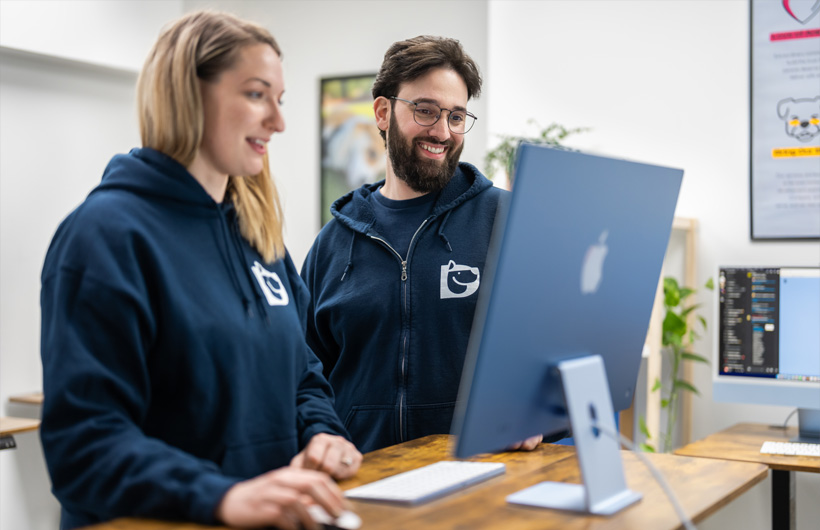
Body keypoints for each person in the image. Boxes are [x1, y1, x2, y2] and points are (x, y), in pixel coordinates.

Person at [39, 11, 361, 530]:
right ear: (187, 95)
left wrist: (322, 434)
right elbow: (83, 444)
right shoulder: (104, 236)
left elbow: (302, 377)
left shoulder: (259, 235)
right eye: (256, 95)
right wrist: (221, 496)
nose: (277, 122)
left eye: (280, 100)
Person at [301, 36, 550, 453]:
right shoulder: (332, 244)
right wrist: (318, 435)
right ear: (383, 112)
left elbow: (561, 351)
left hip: (483, 474)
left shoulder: (507, 222)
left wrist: (538, 415)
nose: (443, 131)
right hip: (366, 477)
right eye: (426, 110)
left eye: (457, 116)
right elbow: (302, 375)